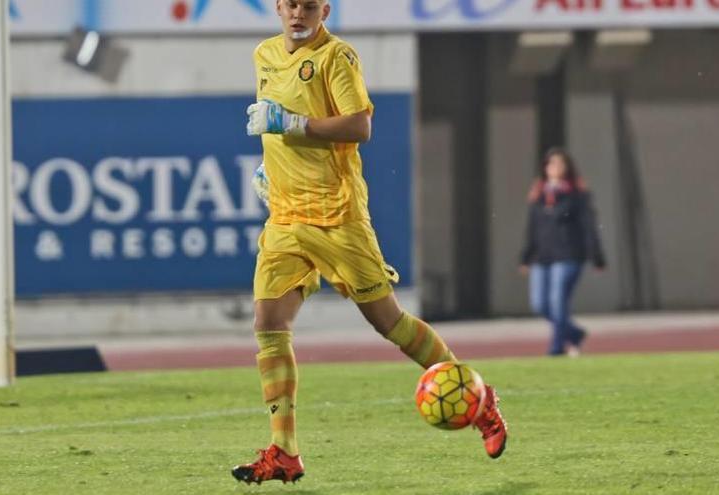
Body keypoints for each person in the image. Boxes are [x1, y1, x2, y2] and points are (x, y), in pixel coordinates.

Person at [232, 0, 507, 484]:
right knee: (268, 322)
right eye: (290, 4)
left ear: (325, 10)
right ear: (277, 7)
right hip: (285, 216)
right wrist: (269, 168)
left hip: (336, 215)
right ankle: (285, 451)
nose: (298, 13)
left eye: (308, 5)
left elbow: (359, 125)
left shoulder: (339, 57)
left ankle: (480, 401)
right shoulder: (264, 55)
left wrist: (294, 126)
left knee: (389, 322)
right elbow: (273, 130)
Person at [520, 148, 606, 357]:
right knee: (540, 304)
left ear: (567, 168)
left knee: (558, 302)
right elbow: (532, 228)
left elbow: (588, 225)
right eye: (551, 164)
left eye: (560, 164)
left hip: (568, 254)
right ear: (545, 168)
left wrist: (597, 256)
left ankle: (556, 348)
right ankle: (575, 333)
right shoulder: (538, 195)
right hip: (542, 256)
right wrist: (526, 257)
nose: (555, 168)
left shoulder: (576, 195)